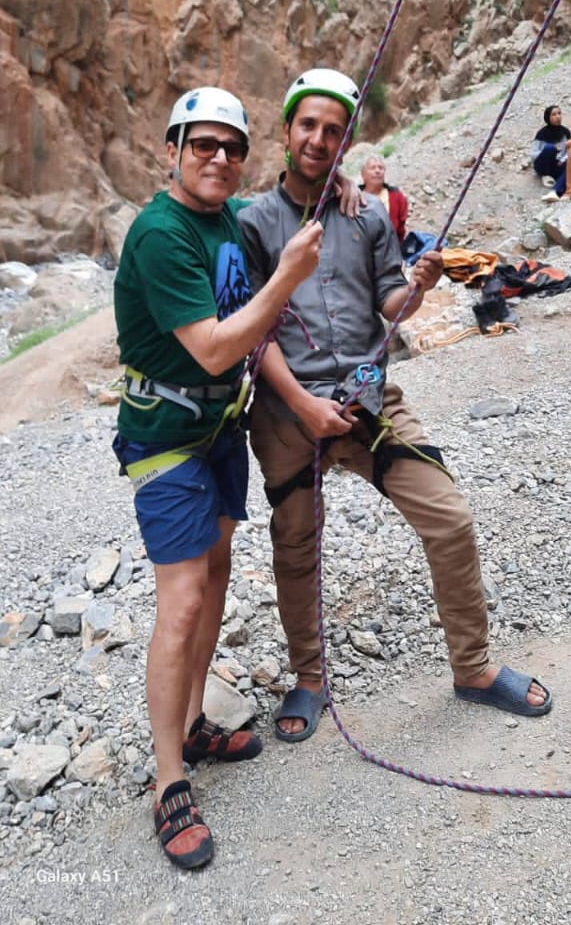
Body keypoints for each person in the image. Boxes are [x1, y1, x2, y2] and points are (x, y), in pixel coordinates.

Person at [239, 68, 552, 743]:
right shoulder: (252, 224)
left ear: (347, 138)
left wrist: (419, 286)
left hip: (368, 401)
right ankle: (309, 678)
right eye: (308, 125)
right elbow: (252, 329)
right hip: (287, 413)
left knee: (449, 518)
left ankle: (472, 669)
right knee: (295, 545)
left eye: (333, 129)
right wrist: (300, 405)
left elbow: (390, 307)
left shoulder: (368, 215)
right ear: (287, 130)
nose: (319, 139)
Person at [113, 86, 323, 870]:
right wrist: (288, 279)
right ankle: (169, 781)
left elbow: (248, 322)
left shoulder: (226, 223)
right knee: (185, 599)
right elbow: (210, 345)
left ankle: (195, 722)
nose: (219, 158)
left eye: (232, 147)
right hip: (165, 436)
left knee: (219, 570)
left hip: (216, 430)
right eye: (202, 144)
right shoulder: (160, 234)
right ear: (173, 150)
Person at [360, 153, 408, 244]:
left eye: (381, 168)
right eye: (372, 168)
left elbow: (401, 228)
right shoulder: (354, 196)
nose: (377, 171)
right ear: (363, 174)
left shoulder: (397, 197)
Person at [532, 104, 571, 200]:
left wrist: (562, 159)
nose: (558, 116)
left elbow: (569, 151)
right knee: (550, 148)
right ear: (548, 117)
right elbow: (533, 154)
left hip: (557, 165)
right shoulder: (542, 133)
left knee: (570, 165)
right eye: (553, 114)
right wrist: (553, 150)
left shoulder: (566, 132)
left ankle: (555, 192)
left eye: (559, 113)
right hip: (542, 165)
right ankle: (546, 175)